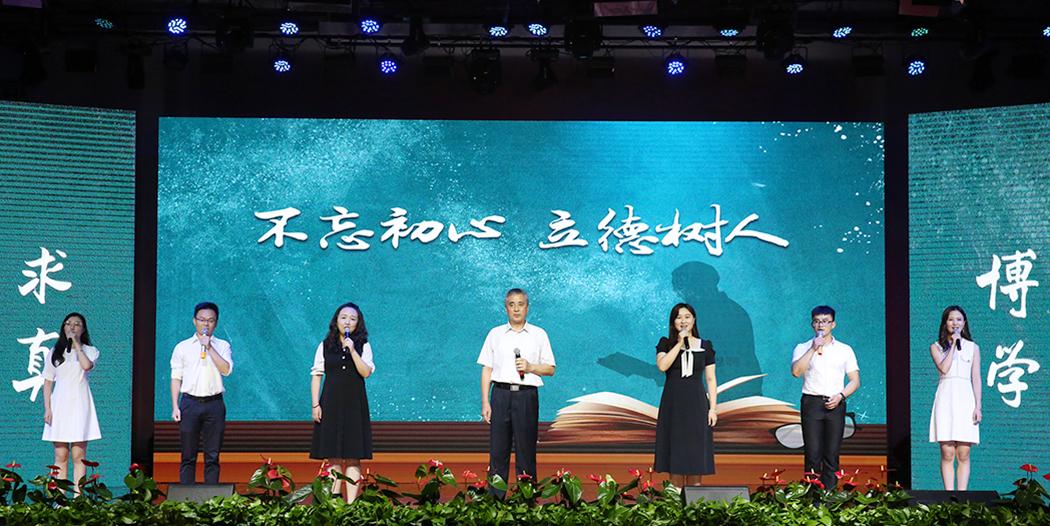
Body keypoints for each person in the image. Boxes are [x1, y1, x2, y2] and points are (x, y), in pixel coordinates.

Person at [478, 288, 556, 498]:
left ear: (527, 308)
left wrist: (530, 367)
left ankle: (526, 500)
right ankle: (495, 501)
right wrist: (485, 402)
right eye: (511, 304)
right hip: (500, 395)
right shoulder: (495, 334)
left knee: (526, 450)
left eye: (520, 304)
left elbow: (550, 369)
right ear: (506, 308)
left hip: (526, 396)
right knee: (498, 451)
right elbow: (487, 369)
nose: (516, 309)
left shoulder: (539, 334)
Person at [310, 302, 374, 503]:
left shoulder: (363, 345)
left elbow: (366, 372)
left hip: (355, 405)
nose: (347, 322)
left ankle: (351, 504)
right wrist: (315, 405)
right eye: (343, 317)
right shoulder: (325, 345)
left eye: (352, 319)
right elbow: (317, 376)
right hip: (331, 403)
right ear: (336, 321)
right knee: (333, 455)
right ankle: (335, 500)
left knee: (353, 455)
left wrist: (353, 351)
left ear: (358, 323)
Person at [790, 305, 860, 490]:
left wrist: (840, 396)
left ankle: (829, 496)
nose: (821, 325)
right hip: (812, 403)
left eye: (825, 321)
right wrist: (813, 349)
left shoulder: (845, 350)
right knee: (812, 453)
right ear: (812, 324)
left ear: (833, 324)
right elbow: (796, 372)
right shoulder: (802, 347)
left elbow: (855, 381)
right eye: (817, 321)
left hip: (836, 403)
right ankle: (812, 496)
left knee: (832, 453)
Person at [654, 303, 718, 487]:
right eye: (679, 317)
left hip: (697, 405)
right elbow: (662, 366)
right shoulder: (665, 343)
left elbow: (711, 379)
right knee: (675, 457)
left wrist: (713, 409)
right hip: (673, 405)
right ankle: (675, 500)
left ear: (694, 320)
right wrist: (680, 344)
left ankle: (694, 501)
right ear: (673, 322)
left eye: (687, 317)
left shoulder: (705, 346)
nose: (683, 321)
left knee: (695, 458)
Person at [170, 302, 233, 485]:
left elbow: (226, 370)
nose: (206, 324)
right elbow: (176, 378)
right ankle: (186, 496)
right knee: (188, 455)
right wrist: (175, 406)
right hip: (190, 403)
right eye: (202, 320)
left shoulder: (222, 345)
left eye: (210, 320)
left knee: (212, 455)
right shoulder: (182, 347)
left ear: (216, 323)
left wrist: (209, 347)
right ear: (194, 321)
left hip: (214, 404)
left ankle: (212, 495)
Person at [42, 312, 101, 494]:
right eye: (68, 323)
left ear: (83, 329)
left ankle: (78, 498)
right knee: (61, 454)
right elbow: (48, 382)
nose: (72, 327)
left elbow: (86, 366)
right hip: (59, 405)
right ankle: (59, 499)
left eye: (77, 324)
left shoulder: (90, 350)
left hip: (80, 405)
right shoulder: (55, 352)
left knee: (78, 455)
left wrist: (76, 344)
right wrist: (47, 408)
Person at [929, 305, 982, 491]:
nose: (955, 323)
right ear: (945, 323)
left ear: (964, 323)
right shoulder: (936, 347)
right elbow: (944, 368)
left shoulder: (973, 348)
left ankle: (962, 496)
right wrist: (952, 345)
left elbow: (976, 378)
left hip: (966, 399)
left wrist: (978, 406)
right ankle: (949, 497)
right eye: (951, 319)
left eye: (959, 319)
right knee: (947, 452)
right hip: (946, 399)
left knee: (964, 453)